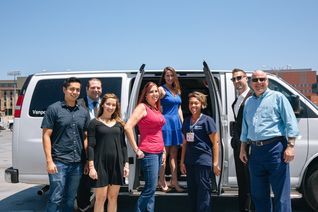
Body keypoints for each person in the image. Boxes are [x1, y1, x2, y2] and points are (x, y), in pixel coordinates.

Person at [240, 70, 299, 212]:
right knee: (259, 195)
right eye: (255, 80)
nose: (259, 83)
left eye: (262, 79)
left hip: (275, 150)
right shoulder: (249, 102)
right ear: (250, 82)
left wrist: (290, 146)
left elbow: (291, 122)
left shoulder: (278, 97)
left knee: (281, 195)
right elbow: (245, 127)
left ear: (267, 81)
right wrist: (243, 148)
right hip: (255, 152)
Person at [41, 77, 90, 211]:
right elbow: (46, 135)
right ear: (64, 90)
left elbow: (86, 137)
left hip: (77, 163)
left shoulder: (83, 112)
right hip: (59, 162)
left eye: (77, 90)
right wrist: (49, 161)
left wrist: (87, 160)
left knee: (70, 198)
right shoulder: (53, 109)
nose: (75, 92)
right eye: (72, 89)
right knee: (55, 197)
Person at [124, 81, 166, 212]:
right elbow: (128, 126)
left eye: (156, 91)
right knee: (150, 188)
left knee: (152, 189)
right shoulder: (142, 107)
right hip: (149, 152)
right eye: (151, 92)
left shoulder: (156, 108)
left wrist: (163, 150)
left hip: (159, 151)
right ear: (145, 95)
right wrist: (136, 149)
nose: (154, 94)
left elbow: (158, 131)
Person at [180, 91, 221, 212]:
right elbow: (184, 143)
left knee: (203, 191)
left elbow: (215, 143)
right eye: (191, 103)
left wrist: (215, 163)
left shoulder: (207, 120)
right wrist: (182, 162)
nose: (193, 106)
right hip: (190, 161)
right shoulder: (186, 121)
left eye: (196, 103)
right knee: (192, 191)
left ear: (202, 104)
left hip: (203, 161)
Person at [87, 93, 129, 212]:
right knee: (101, 198)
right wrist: (91, 167)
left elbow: (123, 146)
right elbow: (90, 146)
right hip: (100, 164)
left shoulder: (119, 124)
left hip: (117, 164)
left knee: (113, 197)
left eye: (113, 105)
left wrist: (126, 165)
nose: (111, 107)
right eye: (108, 104)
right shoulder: (94, 123)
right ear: (102, 105)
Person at [77, 78, 103, 211]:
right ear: (87, 89)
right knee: (84, 181)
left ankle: (99, 205)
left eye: (98, 87)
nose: (96, 90)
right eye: (93, 87)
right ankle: (83, 206)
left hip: (102, 147)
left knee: (102, 179)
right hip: (84, 146)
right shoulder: (78, 104)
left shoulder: (105, 103)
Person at [158, 66, 184, 192]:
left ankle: (174, 181)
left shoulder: (177, 90)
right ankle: (161, 181)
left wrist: (183, 124)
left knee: (174, 155)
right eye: (167, 75)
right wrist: (159, 113)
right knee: (164, 154)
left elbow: (179, 109)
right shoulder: (161, 90)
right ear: (164, 76)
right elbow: (154, 104)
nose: (169, 77)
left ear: (174, 76)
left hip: (176, 124)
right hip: (165, 124)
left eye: (171, 75)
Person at [230, 68, 253, 212]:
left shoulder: (253, 97)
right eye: (234, 79)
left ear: (246, 78)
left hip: (250, 146)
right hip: (239, 145)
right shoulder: (238, 100)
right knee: (242, 182)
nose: (237, 81)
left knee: (251, 182)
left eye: (239, 78)